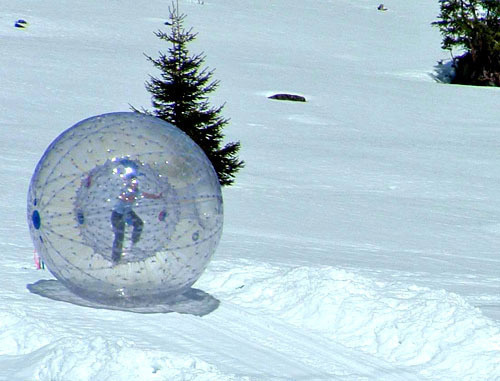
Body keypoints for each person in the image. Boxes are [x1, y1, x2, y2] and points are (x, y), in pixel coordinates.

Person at [111, 173, 161, 264]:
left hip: (128, 212)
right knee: (119, 236)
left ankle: (134, 242)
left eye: (136, 182)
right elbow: (122, 197)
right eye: (133, 182)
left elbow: (146, 195)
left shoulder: (137, 191)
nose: (135, 184)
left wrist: (157, 197)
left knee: (139, 224)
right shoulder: (125, 190)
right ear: (129, 183)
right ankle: (115, 258)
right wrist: (129, 197)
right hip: (118, 215)